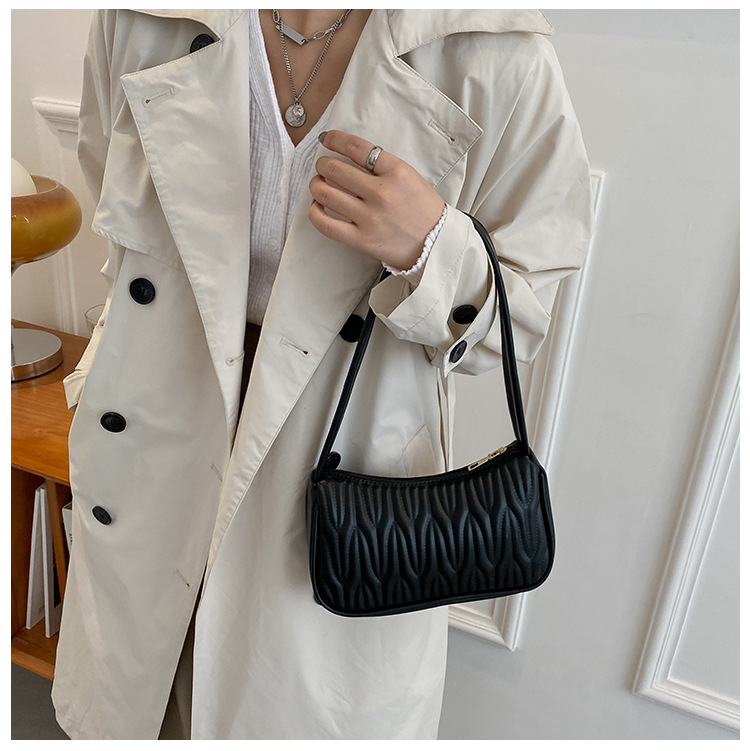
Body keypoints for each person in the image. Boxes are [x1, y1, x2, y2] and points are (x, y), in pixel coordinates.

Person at [51, 9, 592, 740]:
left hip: (335, 474)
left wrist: (432, 246)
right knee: (141, 704)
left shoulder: (494, 53)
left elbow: (520, 323)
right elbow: (112, 208)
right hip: (157, 440)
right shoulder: (141, 19)